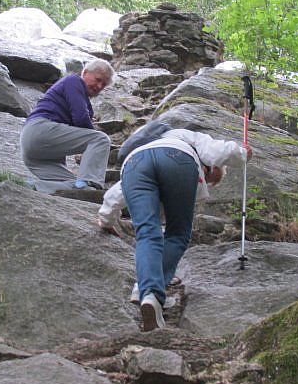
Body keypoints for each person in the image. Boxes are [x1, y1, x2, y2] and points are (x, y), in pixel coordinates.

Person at [98, 127, 250, 331]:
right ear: (211, 168)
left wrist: (106, 221)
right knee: (178, 234)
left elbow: (115, 195)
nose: (204, 182)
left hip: (133, 165)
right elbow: (217, 150)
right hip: (178, 160)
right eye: (209, 179)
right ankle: (151, 293)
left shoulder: (159, 140)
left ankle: (145, 288)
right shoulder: (192, 143)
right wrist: (243, 154)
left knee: (146, 234)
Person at [20, 60, 114, 194]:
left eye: (104, 84)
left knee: (77, 187)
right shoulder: (73, 81)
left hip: (34, 151)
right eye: (98, 79)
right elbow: (80, 118)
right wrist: (94, 141)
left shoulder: (83, 99)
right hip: (40, 130)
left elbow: (66, 136)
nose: (99, 86)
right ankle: (91, 183)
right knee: (100, 140)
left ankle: (29, 186)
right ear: (85, 72)